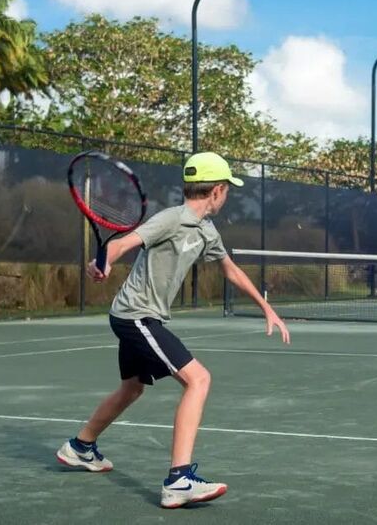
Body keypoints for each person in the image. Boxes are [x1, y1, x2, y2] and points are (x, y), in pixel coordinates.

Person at [55, 152, 290, 509]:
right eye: (227, 190)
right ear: (217, 190)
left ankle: (80, 447)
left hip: (134, 315)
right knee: (199, 379)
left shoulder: (207, 231)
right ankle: (179, 481)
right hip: (136, 316)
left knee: (132, 388)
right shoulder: (171, 219)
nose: (227, 196)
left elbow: (230, 269)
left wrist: (266, 307)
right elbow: (123, 242)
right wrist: (104, 261)